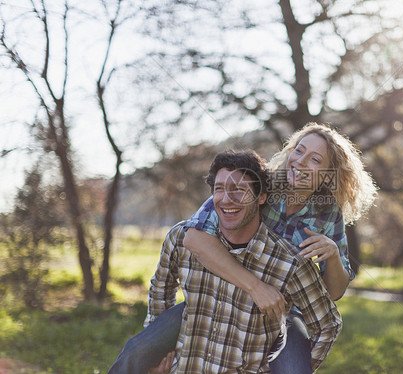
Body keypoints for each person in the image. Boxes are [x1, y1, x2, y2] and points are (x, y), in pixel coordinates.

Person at [109, 123, 377, 373]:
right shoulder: (257, 184)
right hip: (220, 295)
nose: (301, 162)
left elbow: (333, 293)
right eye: (299, 150)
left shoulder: (327, 213)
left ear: (329, 175)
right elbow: (194, 238)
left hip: (281, 312)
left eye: (315, 160)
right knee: (138, 350)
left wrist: (331, 255)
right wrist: (256, 287)